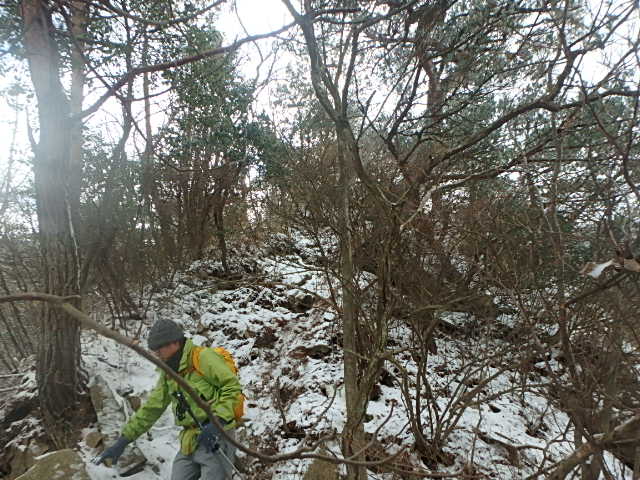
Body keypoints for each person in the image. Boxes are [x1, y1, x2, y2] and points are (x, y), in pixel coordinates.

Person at [95, 318, 241, 479]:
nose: (156, 354)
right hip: (189, 440)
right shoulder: (168, 372)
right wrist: (123, 440)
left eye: (159, 349)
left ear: (174, 344)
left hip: (216, 437)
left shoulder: (203, 358)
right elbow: (152, 408)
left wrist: (218, 423)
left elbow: (232, 387)